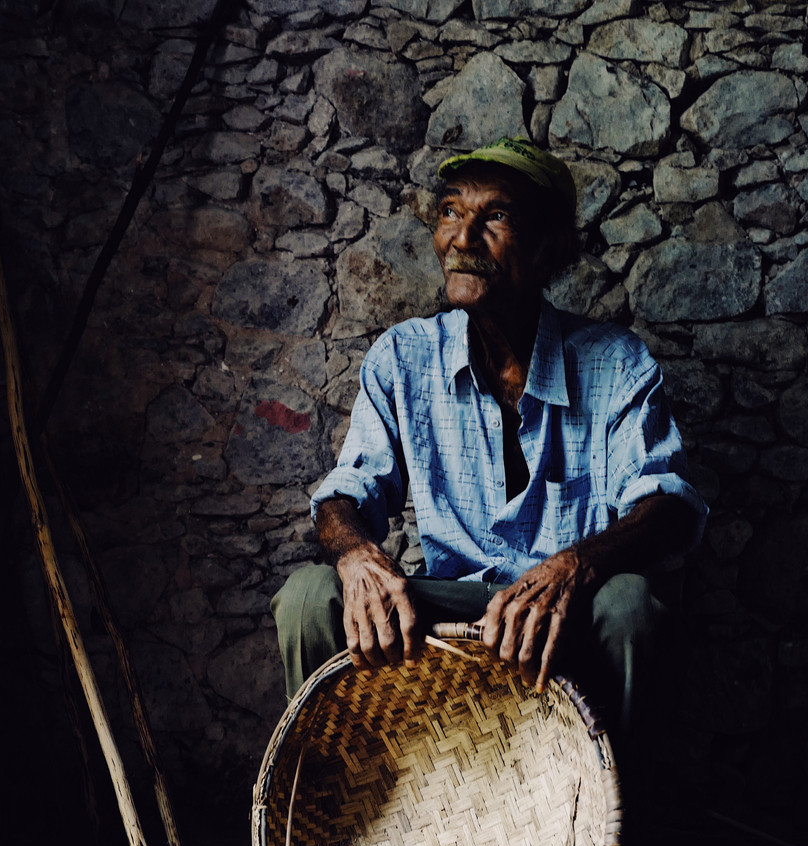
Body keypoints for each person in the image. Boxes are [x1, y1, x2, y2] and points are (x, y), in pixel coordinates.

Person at [270, 137, 706, 748]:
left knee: (631, 604)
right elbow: (345, 495)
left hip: (559, 610)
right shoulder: (403, 359)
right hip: (443, 612)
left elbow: (671, 507)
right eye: (450, 211)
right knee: (309, 595)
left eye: (495, 217)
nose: (463, 239)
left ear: (551, 247)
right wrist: (355, 555)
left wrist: (575, 565)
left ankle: (621, 831)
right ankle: (339, 819)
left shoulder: (616, 363)